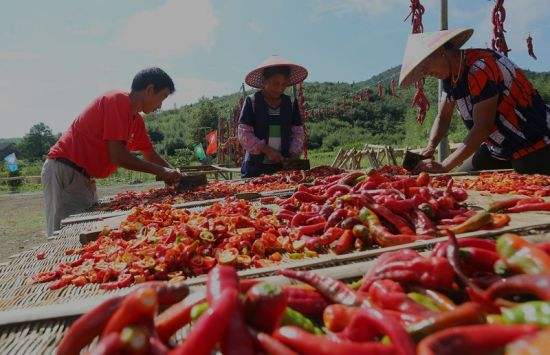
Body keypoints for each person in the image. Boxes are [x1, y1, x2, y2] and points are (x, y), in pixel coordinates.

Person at [42, 67, 183, 236]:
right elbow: (118, 157)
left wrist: (175, 174)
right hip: (65, 170)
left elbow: (150, 155)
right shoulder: (116, 101)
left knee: (83, 233)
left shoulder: (136, 121)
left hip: (83, 177)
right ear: (150, 90)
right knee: (65, 235)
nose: (160, 105)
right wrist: (161, 171)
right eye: (163, 97)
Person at [398, 28, 550, 175]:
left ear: (440, 52)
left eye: (424, 65)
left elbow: (482, 127)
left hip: (534, 140)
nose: (424, 72)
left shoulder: (480, 67)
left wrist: (444, 166)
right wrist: (430, 147)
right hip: (499, 147)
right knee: (464, 175)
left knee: (525, 172)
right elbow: (443, 117)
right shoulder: (449, 78)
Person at [237, 55, 307, 178]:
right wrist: (266, 150)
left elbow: (298, 133)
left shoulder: (290, 103)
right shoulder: (252, 102)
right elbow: (244, 133)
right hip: (255, 167)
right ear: (264, 82)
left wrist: (293, 154)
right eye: (275, 83)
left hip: (284, 167)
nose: (280, 88)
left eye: (284, 84)